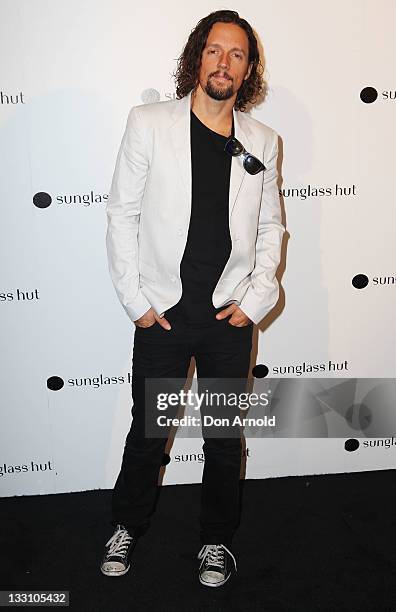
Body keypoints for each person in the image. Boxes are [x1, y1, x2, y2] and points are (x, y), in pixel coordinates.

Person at [100, 9, 285, 587]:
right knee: (149, 431)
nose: (223, 62)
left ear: (248, 68)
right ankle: (128, 524)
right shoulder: (149, 123)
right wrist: (135, 301)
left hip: (229, 317)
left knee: (224, 438)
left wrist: (255, 302)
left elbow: (271, 229)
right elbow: (121, 214)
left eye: (236, 53)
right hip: (163, 314)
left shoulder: (263, 140)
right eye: (213, 50)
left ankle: (215, 540)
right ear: (196, 58)